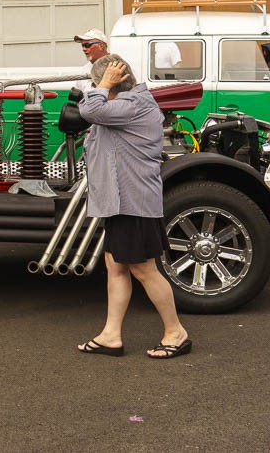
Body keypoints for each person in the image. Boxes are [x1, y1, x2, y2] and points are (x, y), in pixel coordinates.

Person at [74, 54, 191, 360]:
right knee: (116, 266)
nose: (94, 88)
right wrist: (105, 85)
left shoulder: (132, 105)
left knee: (145, 270)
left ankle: (176, 333)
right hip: (120, 202)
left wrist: (103, 83)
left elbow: (89, 109)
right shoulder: (124, 104)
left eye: (97, 82)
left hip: (133, 202)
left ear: (113, 83)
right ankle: (111, 335)